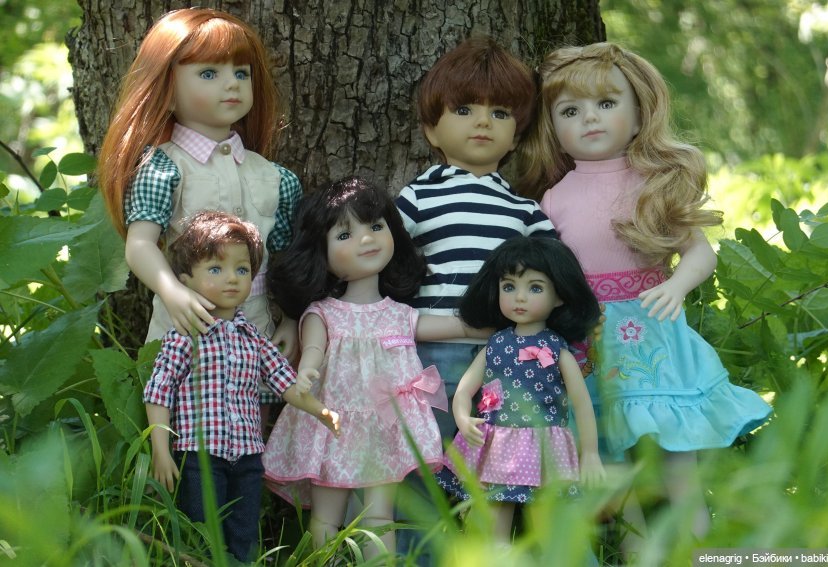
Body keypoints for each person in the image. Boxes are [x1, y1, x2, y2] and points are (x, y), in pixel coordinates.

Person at [517, 42, 772, 545]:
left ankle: (697, 544)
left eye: (606, 103)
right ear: (553, 128)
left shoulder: (653, 185)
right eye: (571, 111)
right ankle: (633, 550)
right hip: (588, 339)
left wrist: (676, 285)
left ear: (638, 117)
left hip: (654, 331)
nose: (590, 118)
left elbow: (699, 252)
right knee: (610, 453)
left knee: (677, 456)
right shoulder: (553, 198)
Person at [394, 37, 560, 561]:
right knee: (424, 461)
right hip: (432, 358)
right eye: (464, 110)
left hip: (507, 363)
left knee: (497, 470)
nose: (483, 122)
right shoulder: (419, 196)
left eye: (500, 113)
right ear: (431, 130)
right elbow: (382, 257)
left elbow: (557, 271)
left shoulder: (524, 209)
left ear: (516, 135)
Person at [262, 177, 484, 560]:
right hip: (333, 426)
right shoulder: (323, 313)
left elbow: (457, 326)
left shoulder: (399, 315)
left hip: (384, 431)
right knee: (326, 517)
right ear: (321, 252)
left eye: (376, 226)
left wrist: (497, 325)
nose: (367, 239)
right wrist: (307, 371)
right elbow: (312, 349)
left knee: (380, 517)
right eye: (344, 235)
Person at [97, 8, 301, 361]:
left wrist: (292, 316)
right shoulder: (163, 169)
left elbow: (287, 259)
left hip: (257, 334)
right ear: (167, 92)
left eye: (241, 72)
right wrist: (171, 291)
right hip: (188, 331)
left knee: (255, 396)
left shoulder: (274, 177)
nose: (232, 83)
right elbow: (140, 244)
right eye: (209, 73)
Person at [143, 211, 339, 563]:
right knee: (203, 531)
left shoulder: (254, 339)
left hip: (247, 455)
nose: (232, 279)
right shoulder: (186, 335)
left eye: (242, 269)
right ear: (186, 280)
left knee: (244, 532)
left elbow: (285, 382)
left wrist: (321, 411)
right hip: (200, 454)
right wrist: (160, 448)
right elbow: (159, 390)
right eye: (215, 269)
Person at [437, 236, 605, 547]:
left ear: (559, 297)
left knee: (550, 520)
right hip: (496, 441)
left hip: (543, 443)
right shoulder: (496, 344)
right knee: (491, 516)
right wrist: (462, 417)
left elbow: (582, 405)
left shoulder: (557, 350)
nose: (520, 297)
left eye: (535, 288)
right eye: (509, 286)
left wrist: (591, 452)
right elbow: (464, 390)